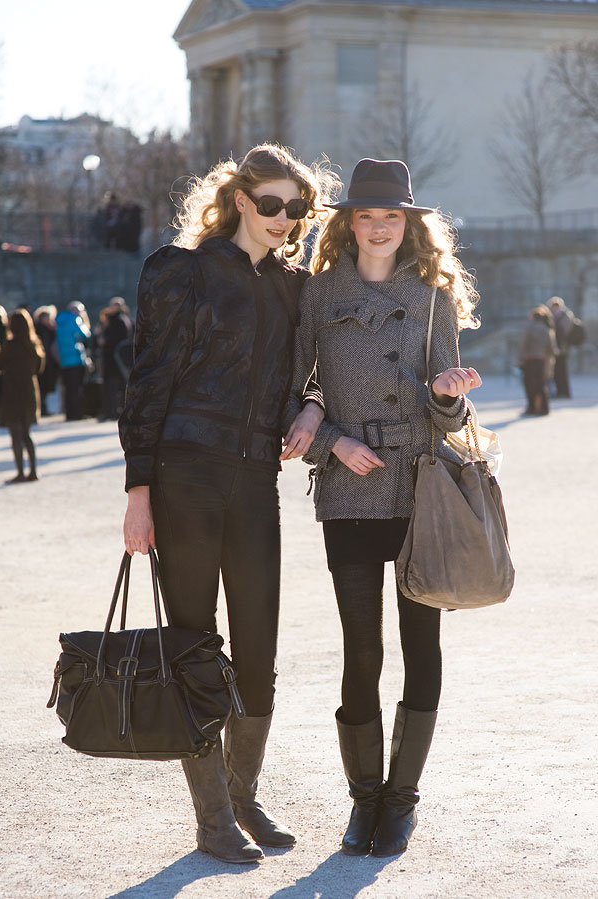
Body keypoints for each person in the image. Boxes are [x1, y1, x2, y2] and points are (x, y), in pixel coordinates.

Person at [119, 144, 335, 864]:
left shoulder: (293, 288)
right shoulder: (180, 272)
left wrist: (310, 405)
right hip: (184, 476)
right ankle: (213, 816)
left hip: (253, 483)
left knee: (259, 648)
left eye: (296, 208)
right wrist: (138, 491)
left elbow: (319, 368)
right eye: (271, 203)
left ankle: (242, 792)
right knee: (192, 641)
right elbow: (147, 382)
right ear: (241, 199)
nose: (283, 219)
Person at [281, 159, 481, 858]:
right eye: (366, 215)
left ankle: (402, 799)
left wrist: (450, 393)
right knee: (360, 648)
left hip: (417, 488)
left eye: (391, 215)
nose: (378, 226)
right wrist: (331, 441)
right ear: (348, 223)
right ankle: (364, 798)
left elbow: (449, 414)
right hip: (348, 493)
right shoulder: (315, 292)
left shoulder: (431, 295)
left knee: (420, 645)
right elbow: (294, 390)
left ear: (410, 223)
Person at [0, 308, 45, 483]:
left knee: (15, 434)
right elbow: (39, 368)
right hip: (29, 391)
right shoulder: (34, 345)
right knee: (26, 433)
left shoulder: (10, 346)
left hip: (12, 392)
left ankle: (20, 472)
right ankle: (32, 471)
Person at [99, 297, 134, 420]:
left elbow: (118, 338)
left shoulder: (118, 320)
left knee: (115, 386)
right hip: (118, 357)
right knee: (116, 385)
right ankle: (113, 410)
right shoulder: (124, 319)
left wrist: (105, 341)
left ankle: (113, 411)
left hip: (115, 357)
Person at [55, 301, 91, 420]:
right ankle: (77, 413)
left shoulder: (59, 321)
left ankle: (69, 413)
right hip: (76, 358)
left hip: (63, 359)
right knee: (77, 387)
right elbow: (85, 335)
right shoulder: (75, 320)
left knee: (68, 387)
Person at [519, 305, 557, 416]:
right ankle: (544, 408)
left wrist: (521, 360)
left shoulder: (530, 328)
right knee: (541, 385)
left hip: (530, 360)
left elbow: (523, 346)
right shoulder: (547, 329)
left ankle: (532, 407)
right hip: (542, 360)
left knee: (529, 385)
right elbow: (552, 348)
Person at [33, 305, 60, 415]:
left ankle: (44, 408)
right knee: (41, 386)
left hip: (49, 362)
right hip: (41, 361)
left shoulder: (51, 330)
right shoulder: (38, 329)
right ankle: (41, 409)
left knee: (46, 386)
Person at [547, 296, 576, 398]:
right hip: (557, 347)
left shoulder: (565, 316)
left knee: (562, 370)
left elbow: (565, 331)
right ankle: (559, 391)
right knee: (556, 371)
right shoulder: (554, 317)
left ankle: (564, 392)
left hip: (563, 348)